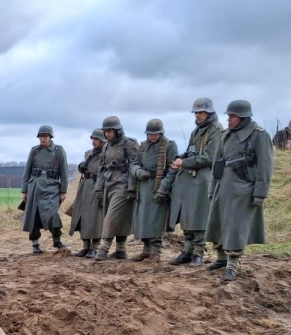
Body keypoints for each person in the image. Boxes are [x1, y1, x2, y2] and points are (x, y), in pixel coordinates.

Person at [205, 100, 274, 281]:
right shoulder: (225, 134)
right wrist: (212, 187)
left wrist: (260, 192)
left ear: (243, 117)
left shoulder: (259, 135)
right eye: (229, 116)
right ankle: (221, 258)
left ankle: (232, 264)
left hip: (243, 188)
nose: (229, 120)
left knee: (236, 228)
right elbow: (216, 163)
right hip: (222, 186)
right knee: (217, 223)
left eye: (233, 116)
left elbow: (265, 166)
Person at [158, 97, 223, 266]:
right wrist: (181, 158)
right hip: (189, 177)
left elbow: (210, 157)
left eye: (201, 112)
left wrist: (184, 162)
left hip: (203, 178)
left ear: (209, 112)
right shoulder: (196, 131)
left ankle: (198, 253)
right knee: (186, 214)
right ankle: (187, 250)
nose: (198, 115)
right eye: (196, 112)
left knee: (199, 215)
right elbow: (191, 151)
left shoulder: (215, 129)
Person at [130, 119, 178, 262]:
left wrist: (164, 187)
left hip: (159, 186)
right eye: (150, 134)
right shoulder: (143, 146)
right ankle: (146, 250)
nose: (152, 136)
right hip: (143, 186)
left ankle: (156, 251)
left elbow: (172, 169)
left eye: (155, 134)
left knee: (156, 219)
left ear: (161, 133)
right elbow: (133, 164)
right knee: (144, 218)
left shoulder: (169, 146)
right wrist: (138, 171)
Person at [93, 116, 139, 260]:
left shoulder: (129, 144)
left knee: (111, 217)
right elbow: (101, 167)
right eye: (105, 131)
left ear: (117, 130)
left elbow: (134, 166)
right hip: (108, 184)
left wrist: (132, 188)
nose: (107, 134)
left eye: (110, 131)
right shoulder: (106, 145)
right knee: (118, 218)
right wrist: (98, 188)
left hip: (123, 185)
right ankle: (120, 250)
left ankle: (104, 248)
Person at [20, 125, 68, 254]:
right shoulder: (34, 151)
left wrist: (63, 191)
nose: (43, 139)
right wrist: (24, 190)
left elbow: (64, 173)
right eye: (41, 136)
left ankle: (57, 240)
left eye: (45, 136)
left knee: (53, 214)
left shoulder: (59, 151)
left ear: (50, 137)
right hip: (34, 186)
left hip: (52, 187)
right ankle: (35, 244)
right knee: (33, 215)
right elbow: (27, 171)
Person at [69, 129, 107, 257]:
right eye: (93, 139)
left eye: (96, 139)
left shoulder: (107, 154)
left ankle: (94, 247)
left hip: (98, 186)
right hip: (85, 186)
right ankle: (85, 246)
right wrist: (81, 166)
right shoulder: (88, 153)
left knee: (95, 218)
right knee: (82, 216)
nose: (94, 142)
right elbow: (83, 168)